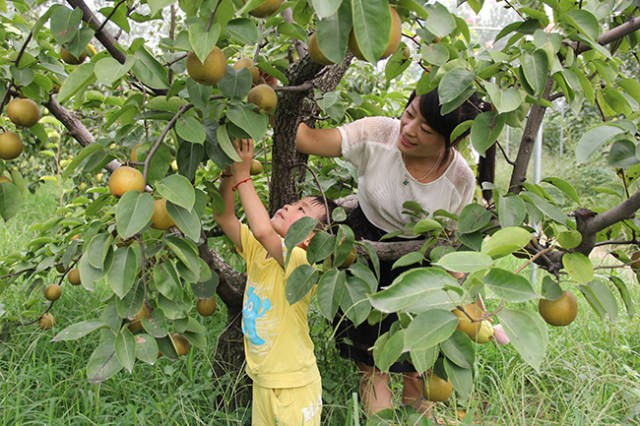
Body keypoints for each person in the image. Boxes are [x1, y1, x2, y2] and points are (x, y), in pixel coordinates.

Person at [296, 88, 490, 415]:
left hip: (420, 265)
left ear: (451, 141)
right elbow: (309, 141)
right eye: (409, 113)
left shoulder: (459, 180)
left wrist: (459, 299)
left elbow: (451, 246)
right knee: (373, 368)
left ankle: (420, 418)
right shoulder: (379, 134)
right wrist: (275, 96)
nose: (409, 129)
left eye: (426, 129)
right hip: (362, 257)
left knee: (420, 365)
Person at [213, 138, 336, 425]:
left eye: (301, 210)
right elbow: (224, 216)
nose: (289, 207)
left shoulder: (300, 263)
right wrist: (229, 173)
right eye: (294, 203)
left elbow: (259, 229)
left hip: (295, 387)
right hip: (263, 382)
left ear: (310, 239)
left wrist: (244, 176)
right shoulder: (260, 252)